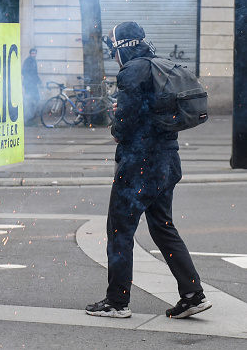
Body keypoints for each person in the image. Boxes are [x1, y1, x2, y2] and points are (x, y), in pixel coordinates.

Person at [85, 21, 212, 319]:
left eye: (112, 50)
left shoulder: (131, 71)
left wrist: (116, 125)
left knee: (119, 231)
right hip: (167, 160)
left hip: (140, 163)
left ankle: (117, 302)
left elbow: (127, 122)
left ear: (121, 47)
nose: (112, 56)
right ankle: (193, 294)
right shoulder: (159, 64)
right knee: (163, 227)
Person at [21, 48, 42, 126]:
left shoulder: (33, 61)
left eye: (35, 53)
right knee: (29, 100)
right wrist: (30, 79)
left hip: (32, 84)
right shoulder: (28, 61)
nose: (34, 54)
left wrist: (39, 81)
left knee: (35, 98)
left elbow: (35, 73)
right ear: (30, 54)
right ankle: (27, 119)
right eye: (33, 53)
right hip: (29, 84)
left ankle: (30, 117)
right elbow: (23, 71)